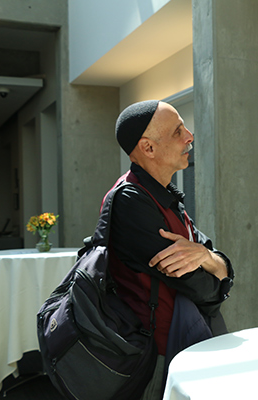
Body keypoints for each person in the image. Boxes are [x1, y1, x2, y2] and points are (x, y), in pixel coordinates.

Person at [103, 100, 234, 400]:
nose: (190, 136)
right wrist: (216, 269)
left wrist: (207, 258)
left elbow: (215, 258)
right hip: (156, 358)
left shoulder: (165, 197)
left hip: (179, 345)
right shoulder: (130, 201)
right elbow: (199, 287)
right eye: (178, 131)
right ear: (148, 148)